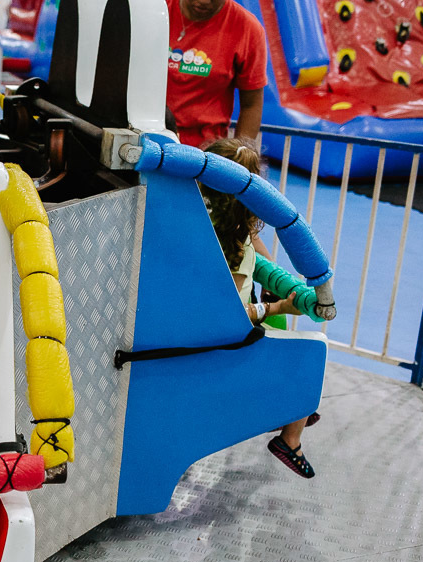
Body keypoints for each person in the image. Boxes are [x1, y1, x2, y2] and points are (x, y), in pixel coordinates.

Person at [200, 138, 323, 478]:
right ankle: (290, 437)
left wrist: (276, 286)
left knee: (280, 328)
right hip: (219, 343)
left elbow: (259, 261)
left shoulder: (200, 223)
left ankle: (290, 408)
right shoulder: (236, 242)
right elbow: (233, 314)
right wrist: (278, 305)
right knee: (308, 355)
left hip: (190, 329)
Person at [166, 0, 267, 147]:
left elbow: (251, 104)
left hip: (205, 148)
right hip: (148, 136)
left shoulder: (248, 28)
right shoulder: (154, 10)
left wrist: (240, 152)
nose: (204, 1)